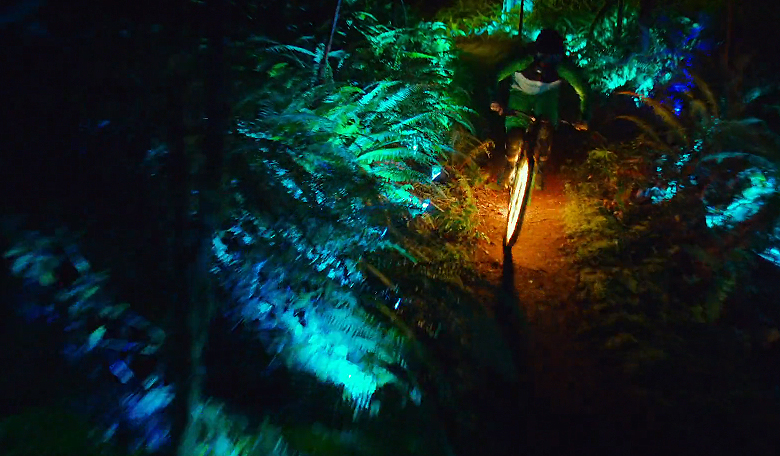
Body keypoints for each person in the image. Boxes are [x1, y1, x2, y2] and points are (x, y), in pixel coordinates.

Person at [491, 28, 591, 187]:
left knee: (546, 129)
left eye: (553, 58)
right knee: (515, 134)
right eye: (544, 56)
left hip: (547, 96)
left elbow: (583, 90)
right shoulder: (523, 61)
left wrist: (584, 116)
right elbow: (496, 74)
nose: (547, 62)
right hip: (520, 93)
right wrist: (495, 99)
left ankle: (540, 169)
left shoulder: (562, 68)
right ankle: (510, 165)